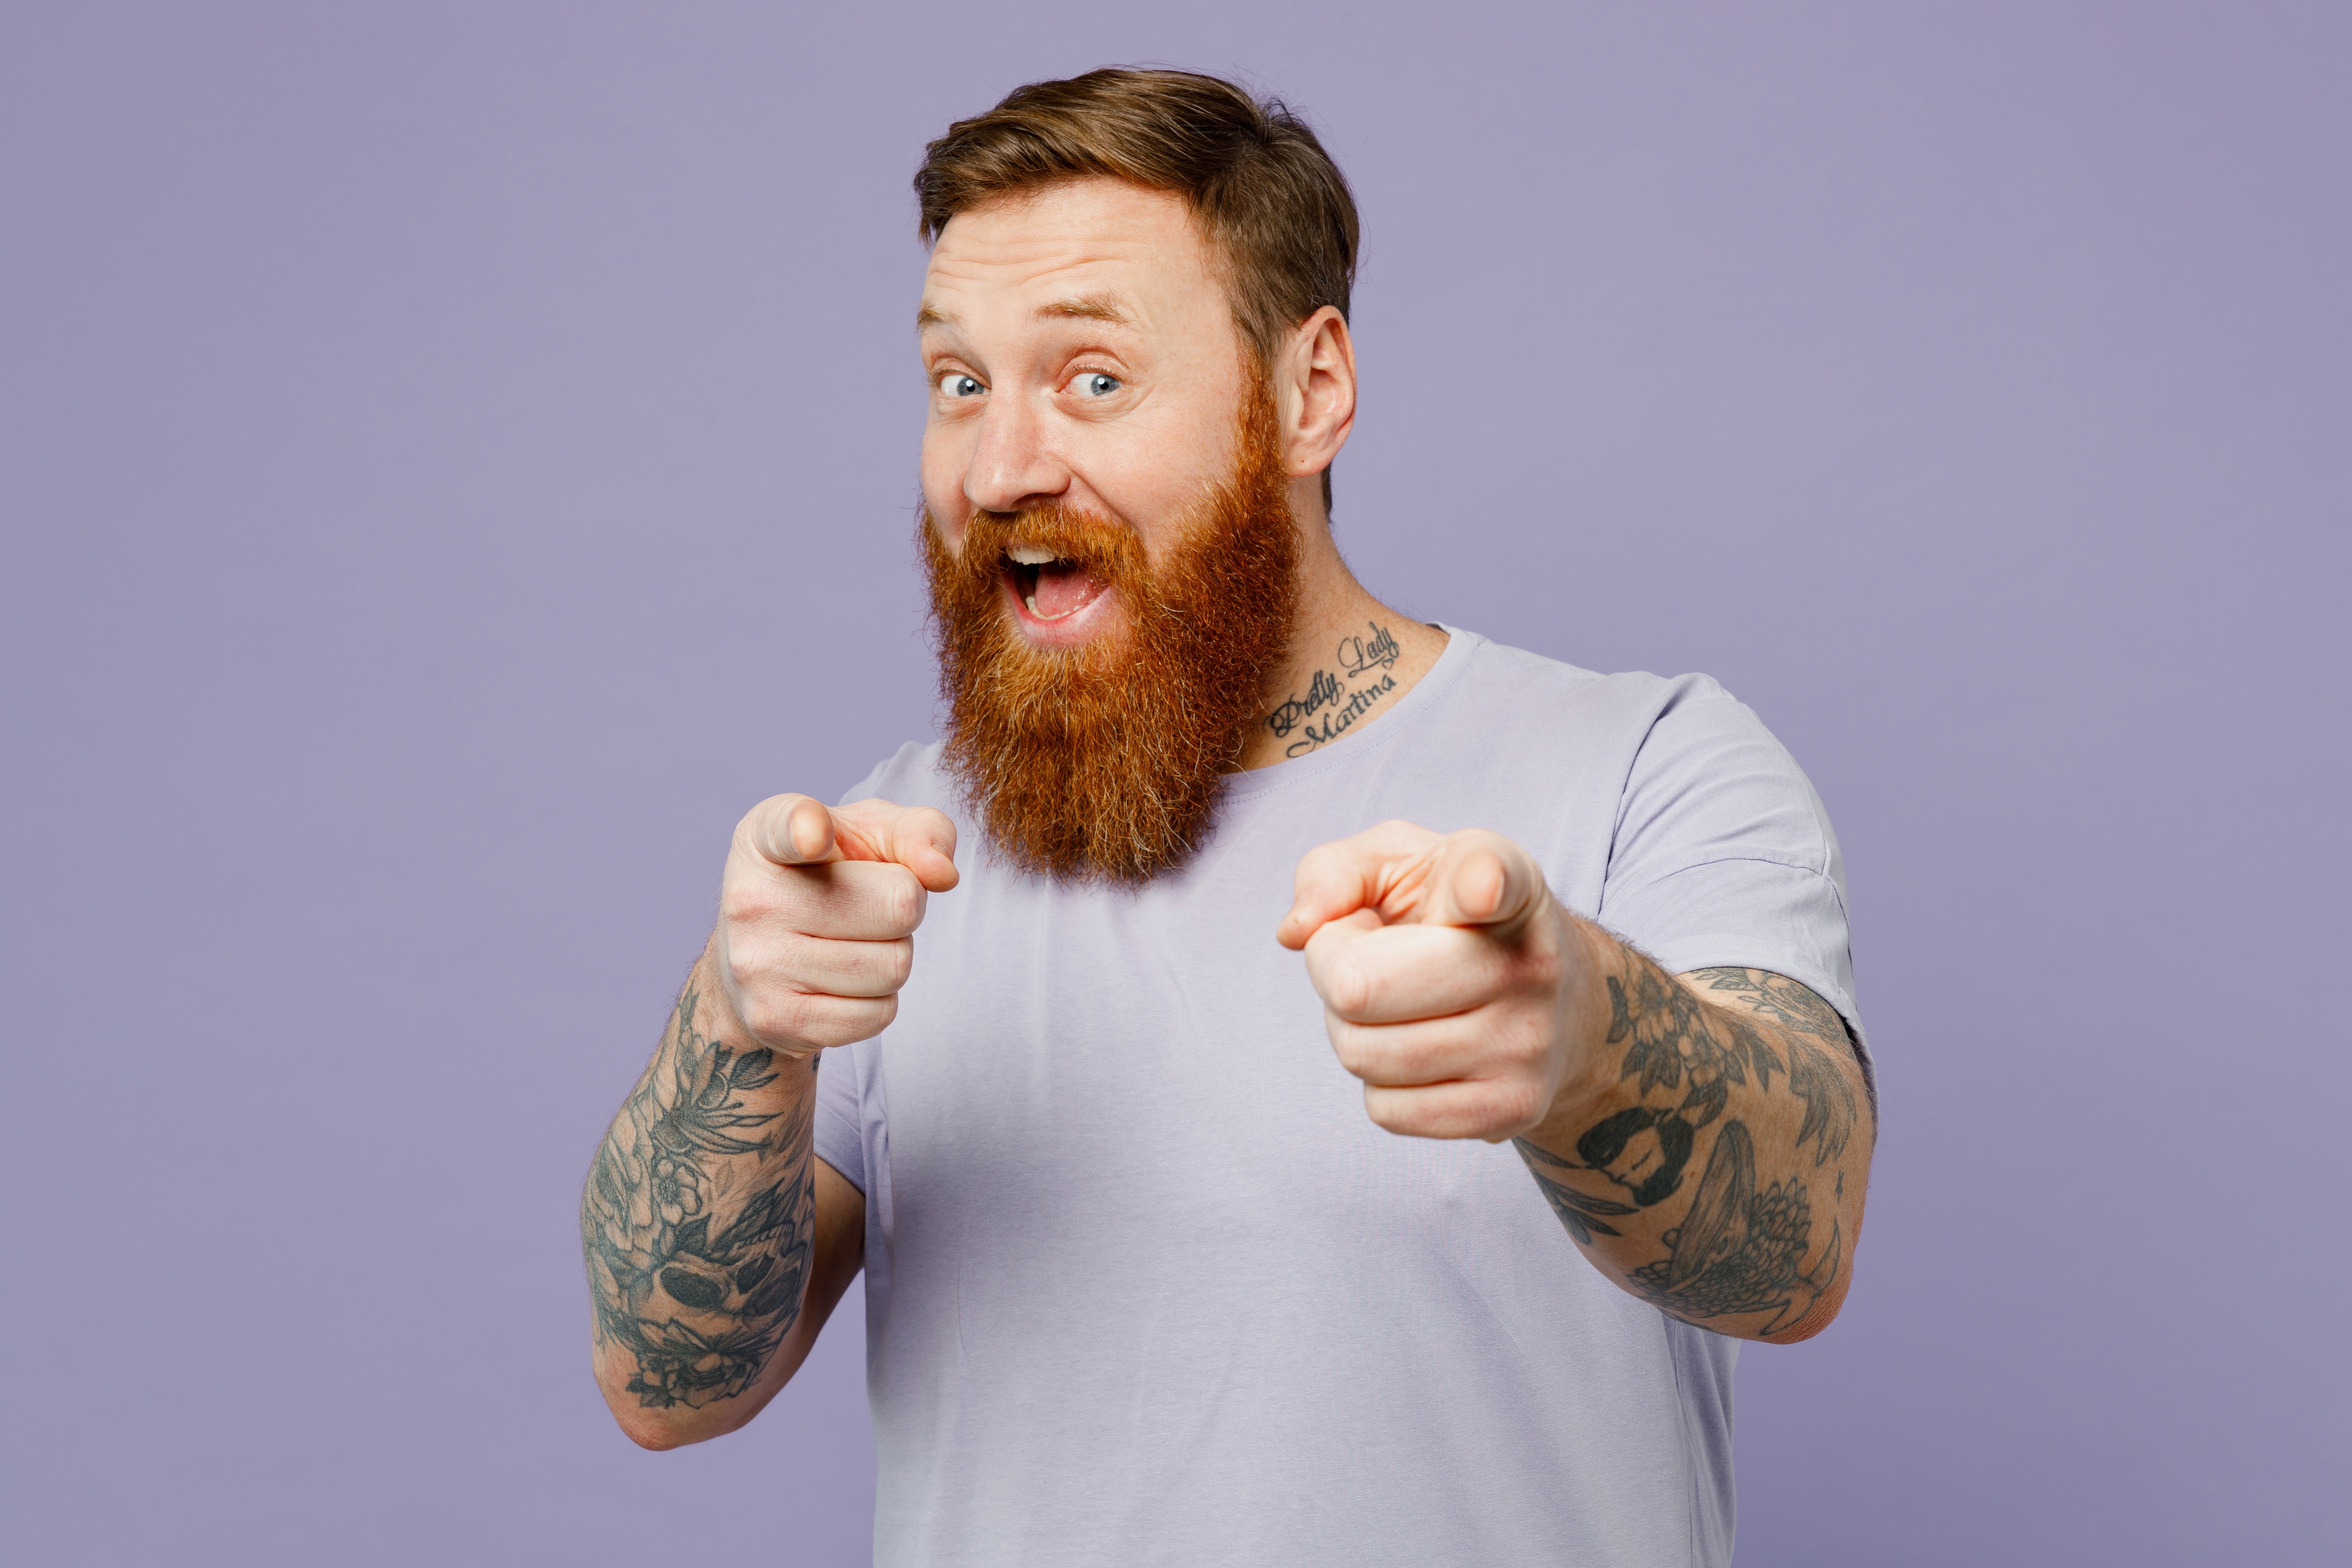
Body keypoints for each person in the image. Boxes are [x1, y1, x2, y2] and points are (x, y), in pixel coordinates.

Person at [581, 68, 1877, 1567]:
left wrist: (1577, 1031)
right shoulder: (879, 860)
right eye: (957, 382)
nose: (1000, 468)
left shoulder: (1644, 763)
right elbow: (663, 1384)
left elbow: (1799, 1246)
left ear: (1305, 390)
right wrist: (739, 1024)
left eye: (1091, 379)